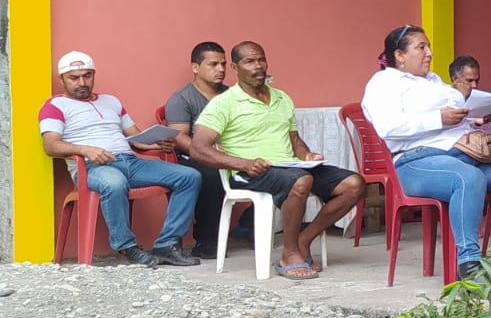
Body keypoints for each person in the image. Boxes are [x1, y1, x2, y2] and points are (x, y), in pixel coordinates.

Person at [190, 41, 364, 280]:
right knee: (301, 181)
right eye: (249, 61)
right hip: (249, 171)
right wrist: (244, 164)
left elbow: (295, 140)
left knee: (354, 184)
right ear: (235, 67)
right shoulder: (224, 103)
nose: (258, 66)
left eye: (261, 60)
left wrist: (307, 155)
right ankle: (289, 254)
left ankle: (303, 241)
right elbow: (198, 149)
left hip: (290, 167)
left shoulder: (282, 98)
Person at [361, 25, 491, 282]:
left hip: (464, 151)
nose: (429, 53)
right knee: (467, 179)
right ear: (400, 56)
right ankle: (469, 264)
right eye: (421, 47)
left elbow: (450, 112)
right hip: (416, 160)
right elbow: (387, 127)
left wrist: (470, 118)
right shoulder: (383, 84)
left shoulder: (433, 80)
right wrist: (438, 118)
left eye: (428, 46)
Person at [40, 50, 201, 268]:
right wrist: (86, 150)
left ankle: (167, 244)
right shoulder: (54, 106)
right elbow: (50, 145)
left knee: (189, 176)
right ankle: (127, 247)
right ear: (62, 79)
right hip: (92, 168)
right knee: (115, 182)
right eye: (74, 78)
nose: (82, 83)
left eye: (87, 76)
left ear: (93, 75)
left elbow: (133, 135)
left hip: (130, 162)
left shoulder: (111, 101)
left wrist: (153, 144)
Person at [164, 40, 233, 260]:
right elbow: (179, 137)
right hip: (193, 155)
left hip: (233, 152)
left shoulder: (232, 95)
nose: (220, 69)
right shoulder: (181, 99)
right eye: (213, 64)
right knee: (212, 173)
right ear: (195, 68)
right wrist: (210, 153)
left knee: (272, 167)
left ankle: (248, 226)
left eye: (223, 64)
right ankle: (206, 241)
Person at [448, 55, 491, 150]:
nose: (474, 85)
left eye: (477, 80)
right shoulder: (445, 99)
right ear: (455, 79)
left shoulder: (484, 97)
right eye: (469, 80)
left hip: (487, 143)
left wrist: (490, 117)